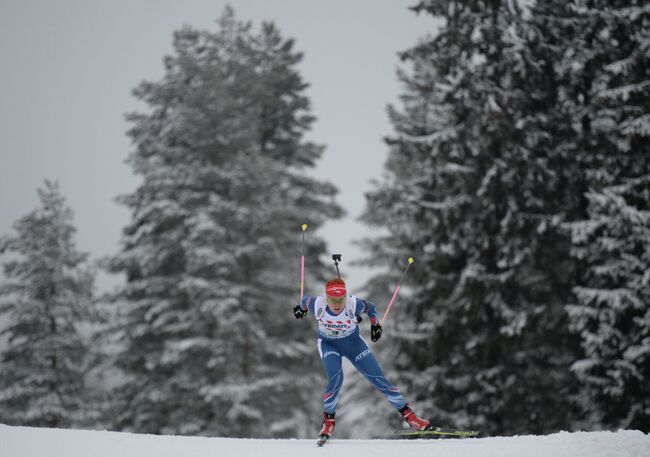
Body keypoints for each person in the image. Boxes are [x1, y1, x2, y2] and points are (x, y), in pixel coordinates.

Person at [293, 277, 432, 440]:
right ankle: (328, 423)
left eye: (340, 300)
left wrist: (375, 325)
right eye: (332, 300)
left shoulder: (354, 304)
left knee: (379, 379)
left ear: (345, 297)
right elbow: (304, 300)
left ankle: (411, 417)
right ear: (326, 298)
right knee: (336, 376)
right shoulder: (317, 304)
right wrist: (299, 309)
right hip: (328, 345)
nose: (337, 304)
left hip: (353, 344)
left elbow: (371, 307)